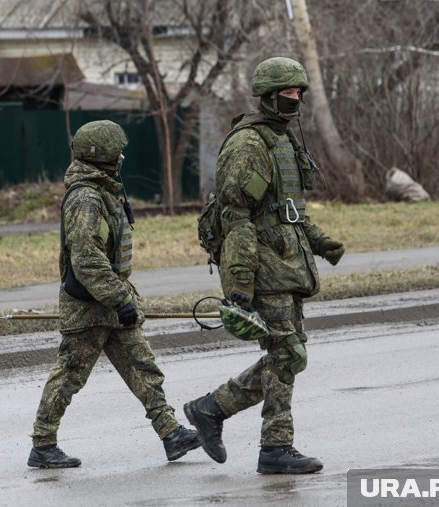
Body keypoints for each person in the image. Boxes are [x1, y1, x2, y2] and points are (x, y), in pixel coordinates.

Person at [183, 57, 345, 474]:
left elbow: (288, 210)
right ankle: (274, 447)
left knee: (287, 356)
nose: (296, 101)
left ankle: (210, 409)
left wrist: (320, 241)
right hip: (264, 269)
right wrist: (239, 286)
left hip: (288, 265)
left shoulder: (282, 140)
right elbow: (235, 218)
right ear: (270, 97)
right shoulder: (248, 144)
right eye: (289, 94)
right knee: (287, 353)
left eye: (299, 94)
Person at [28, 120, 200, 468]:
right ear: (102, 156)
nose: (122, 156)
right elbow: (87, 259)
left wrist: (122, 298)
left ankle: (171, 434)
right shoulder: (86, 198)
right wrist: (120, 299)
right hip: (89, 306)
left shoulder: (104, 190)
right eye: (117, 151)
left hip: (113, 300)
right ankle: (43, 444)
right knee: (70, 375)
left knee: (143, 366)